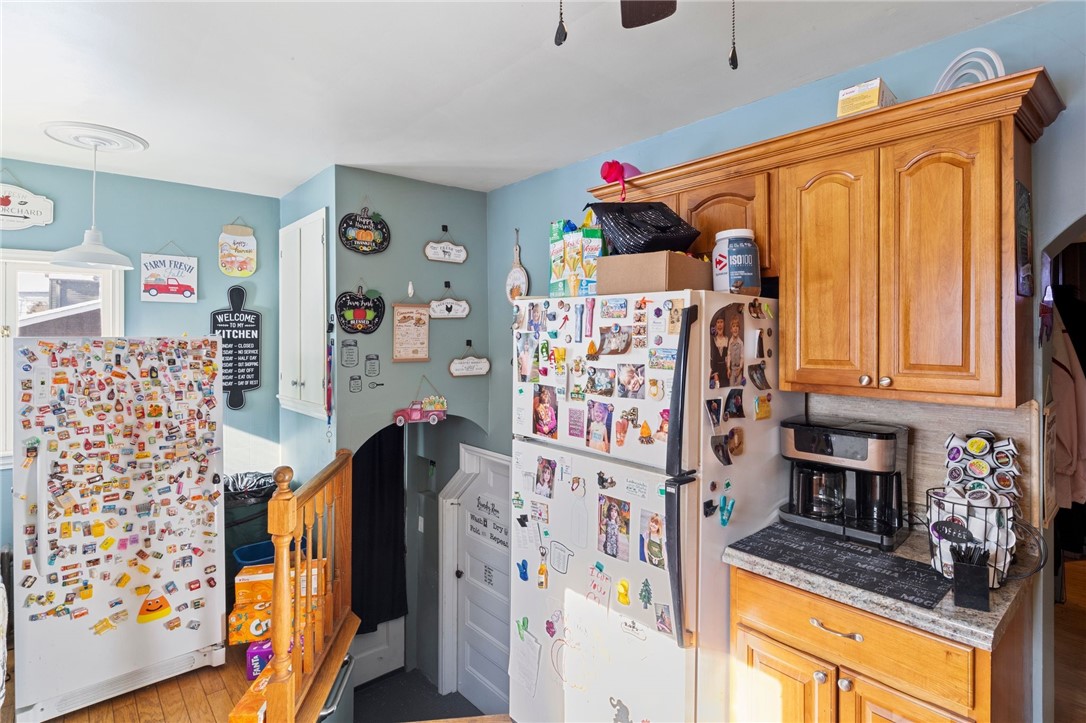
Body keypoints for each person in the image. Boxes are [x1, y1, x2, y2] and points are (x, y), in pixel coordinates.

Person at [725, 316, 745, 387]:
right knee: (731, 385)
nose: (735, 328)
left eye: (737, 326)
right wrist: (728, 368)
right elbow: (729, 355)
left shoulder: (741, 343)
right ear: (731, 329)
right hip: (732, 369)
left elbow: (742, 356)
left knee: (739, 385)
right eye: (733, 326)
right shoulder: (730, 342)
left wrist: (740, 368)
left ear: (739, 329)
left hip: (739, 369)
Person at [709, 316, 728, 387]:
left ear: (724, 324)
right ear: (716, 325)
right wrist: (715, 374)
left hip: (724, 371)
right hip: (715, 370)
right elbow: (712, 358)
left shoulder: (727, 339)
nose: (720, 324)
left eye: (721, 322)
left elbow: (727, 357)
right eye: (718, 322)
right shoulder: (713, 340)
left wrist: (728, 369)